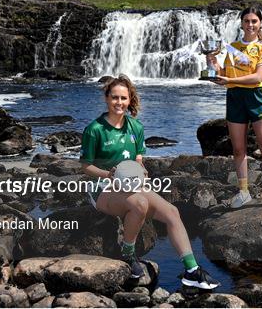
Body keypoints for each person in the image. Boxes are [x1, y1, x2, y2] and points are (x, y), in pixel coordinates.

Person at [80, 74, 220, 289]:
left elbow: (138, 161)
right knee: (140, 204)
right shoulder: (95, 129)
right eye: (115, 97)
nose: (119, 103)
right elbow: (85, 167)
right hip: (103, 187)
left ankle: (191, 270)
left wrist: (142, 171)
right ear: (107, 98)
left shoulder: (136, 127)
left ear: (129, 100)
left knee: (172, 212)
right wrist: (108, 175)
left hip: (131, 184)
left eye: (123, 98)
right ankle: (128, 254)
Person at [207, 7, 262, 210]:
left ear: (260, 23)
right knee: (238, 148)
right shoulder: (232, 47)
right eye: (246, 21)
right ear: (241, 23)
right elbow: (223, 74)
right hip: (234, 96)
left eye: (254, 21)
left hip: (257, 96)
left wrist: (229, 79)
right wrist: (213, 64)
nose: (250, 25)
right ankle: (243, 192)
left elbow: (258, 77)